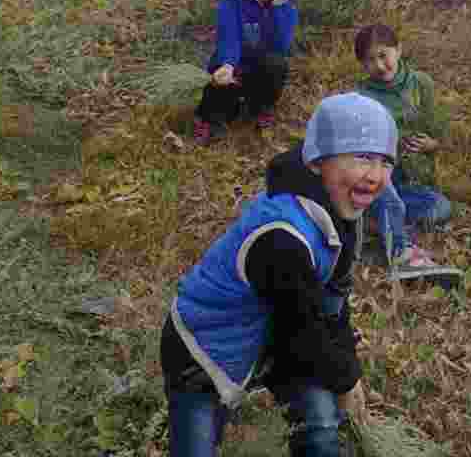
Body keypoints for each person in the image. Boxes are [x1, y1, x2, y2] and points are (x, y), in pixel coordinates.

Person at [162, 92, 397, 457]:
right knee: (197, 441)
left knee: (320, 421)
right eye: (363, 157)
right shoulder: (281, 238)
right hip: (203, 347)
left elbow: (329, 306)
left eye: (385, 161)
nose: (376, 175)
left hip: (276, 331)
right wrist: (346, 380)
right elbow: (303, 331)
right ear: (319, 162)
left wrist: (347, 363)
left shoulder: (341, 214)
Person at [354, 23, 458, 279]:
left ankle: (378, 225)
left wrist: (431, 145)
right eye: (369, 60)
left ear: (398, 50)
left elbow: (440, 131)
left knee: (440, 208)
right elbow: (359, 152)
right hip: (380, 179)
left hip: (410, 183)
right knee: (381, 184)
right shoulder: (361, 97)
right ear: (362, 65)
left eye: (383, 55)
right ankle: (400, 251)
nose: (379, 65)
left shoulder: (421, 84)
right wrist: (390, 148)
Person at [193, 0, 298, 146]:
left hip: (260, 72)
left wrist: (278, 9)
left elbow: (282, 46)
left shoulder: (287, 7)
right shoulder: (231, 3)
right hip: (234, 68)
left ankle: (262, 108)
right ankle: (207, 119)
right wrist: (228, 65)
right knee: (220, 97)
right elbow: (228, 38)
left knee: (278, 63)